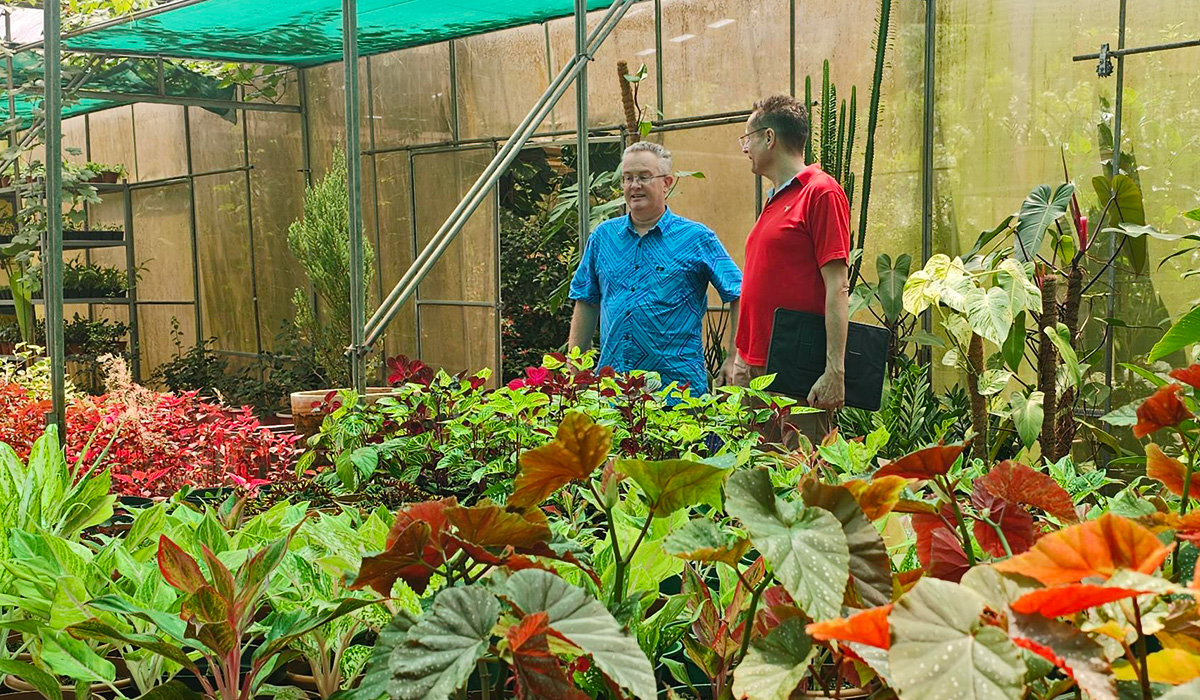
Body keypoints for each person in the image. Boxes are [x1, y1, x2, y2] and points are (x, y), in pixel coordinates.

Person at [567, 141, 742, 395]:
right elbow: (586, 301)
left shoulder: (696, 238)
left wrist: (734, 356)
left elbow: (739, 292)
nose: (634, 185)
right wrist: (575, 369)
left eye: (644, 177)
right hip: (614, 393)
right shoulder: (603, 237)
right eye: (628, 178)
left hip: (678, 393)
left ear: (666, 183)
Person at [732, 94, 851, 441]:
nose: (745, 149)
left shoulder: (821, 192)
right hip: (755, 366)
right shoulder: (776, 198)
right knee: (757, 471)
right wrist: (741, 359)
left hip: (795, 371)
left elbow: (838, 286)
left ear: (769, 137)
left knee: (801, 467)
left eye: (748, 138)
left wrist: (834, 370)